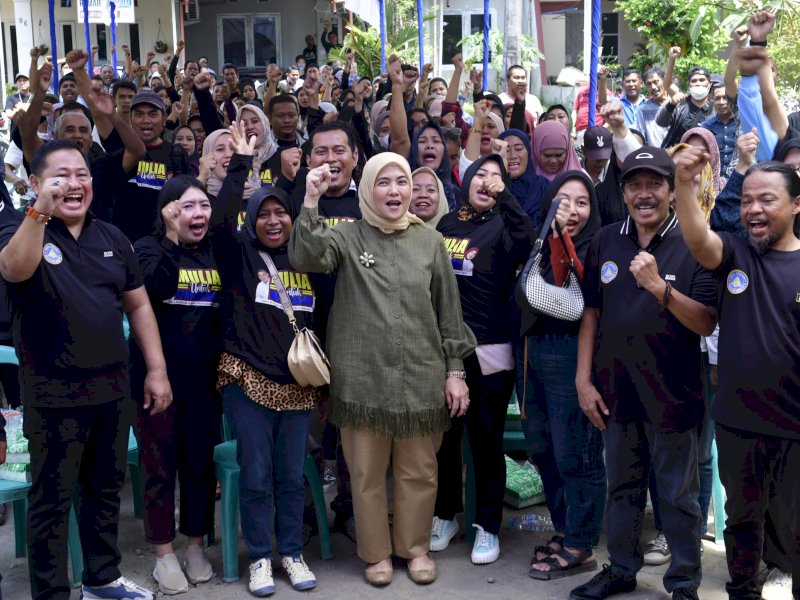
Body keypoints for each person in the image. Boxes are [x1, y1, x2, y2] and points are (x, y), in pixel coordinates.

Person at [289, 154, 475, 586]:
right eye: (384, 183)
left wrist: (455, 371)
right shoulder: (348, 236)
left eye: (402, 182)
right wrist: (311, 198)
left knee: (419, 473)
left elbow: (449, 313)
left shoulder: (429, 241)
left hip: (421, 378)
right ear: (367, 188)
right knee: (366, 476)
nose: (395, 191)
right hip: (362, 380)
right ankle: (375, 554)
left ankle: (414, 548)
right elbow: (306, 256)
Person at [0, 140, 173, 600]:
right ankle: (52, 593)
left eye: (82, 175)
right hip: (53, 393)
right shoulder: (19, 228)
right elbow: (15, 270)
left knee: (104, 490)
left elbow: (138, 306)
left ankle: (102, 580)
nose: (74, 185)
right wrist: (39, 210)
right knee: (52, 501)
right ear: (36, 183)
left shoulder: (112, 237)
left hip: (113, 388)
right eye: (60, 176)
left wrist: (156, 370)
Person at [571, 146, 717, 600]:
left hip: (674, 393)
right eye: (635, 185)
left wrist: (659, 288)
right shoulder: (606, 240)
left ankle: (684, 583)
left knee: (678, 496)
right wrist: (583, 379)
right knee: (623, 488)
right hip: (617, 392)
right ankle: (622, 567)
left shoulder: (695, 244)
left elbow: (707, 321)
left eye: (655, 183)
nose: (644, 193)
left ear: (673, 191)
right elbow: (591, 312)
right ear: (623, 193)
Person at [672, 147, 800, 600]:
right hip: (737, 421)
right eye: (747, 200)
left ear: (796, 205)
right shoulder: (735, 254)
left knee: (795, 526)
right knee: (741, 521)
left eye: (766, 199)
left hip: (794, 428)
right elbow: (697, 240)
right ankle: (741, 590)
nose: (753, 209)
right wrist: (683, 183)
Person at [211, 122, 320, 596]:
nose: (273, 221)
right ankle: (259, 556)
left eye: (281, 213)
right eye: (263, 214)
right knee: (256, 474)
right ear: (252, 219)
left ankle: (291, 552)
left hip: (299, 383)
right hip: (248, 379)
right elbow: (218, 222)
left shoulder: (309, 259)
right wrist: (239, 165)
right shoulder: (239, 256)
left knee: (291, 474)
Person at [433, 155, 534, 565]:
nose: (487, 181)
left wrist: (505, 197)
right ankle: (445, 515)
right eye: (480, 174)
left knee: (486, 441)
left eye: (497, 176)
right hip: (445, 350)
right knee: (445, 439)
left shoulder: (504, 226)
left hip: (490, 350)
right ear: (466, 180)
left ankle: (487, 526)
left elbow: (527, 241)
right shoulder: (446, 225)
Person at [132, 176, 221, 595]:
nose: (197, 214)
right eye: (187, 206)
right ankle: (164, 554)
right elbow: (155, 287)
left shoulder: (214, 250)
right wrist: (170, 238)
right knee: (160, 468)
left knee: (199, 467)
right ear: (168, 211)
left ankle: (196, 545)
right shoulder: (147, 249)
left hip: (205, 383)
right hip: (157, 382)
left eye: (203, 205)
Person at [523, 171, 605, 582]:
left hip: (572, 352)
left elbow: (575, 287)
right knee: (543, 448)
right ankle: (566, 527)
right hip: (533, 350)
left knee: (577, 453)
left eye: (582, 202)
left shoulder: (599, 247)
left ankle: (581, 545)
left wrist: (562, 240)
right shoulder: (536, 238)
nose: (571, 209)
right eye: (563, 199)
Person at [497, 129, 549, 227]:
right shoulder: (494, 191)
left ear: (528, 152)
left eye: (518, 149)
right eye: (507, 150)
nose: (512, 156)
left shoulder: (545, 186)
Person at [656, 66, 713, 149]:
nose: (698, 83)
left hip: (707, 158)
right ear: (688, 84)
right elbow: (661, 122)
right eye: (694, 81)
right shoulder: (680, 105)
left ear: (710, 83)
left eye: (702, 80)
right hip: (679, 157)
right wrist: (671, 104)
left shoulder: (716, 108)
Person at [701, 85, 739, 182]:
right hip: (714, 182)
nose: (722, 102)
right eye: (717, 98)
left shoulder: (742, 124)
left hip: (740, 179)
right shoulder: (706, 126)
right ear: (712, 101)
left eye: (725, 98)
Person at [635, 67, 670, 148]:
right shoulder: (643, 109)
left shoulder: (677, 104)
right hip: (655, 156)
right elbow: (640, 136)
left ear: (664, 81)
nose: (653, 87)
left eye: (656, 82)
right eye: (649, 84)